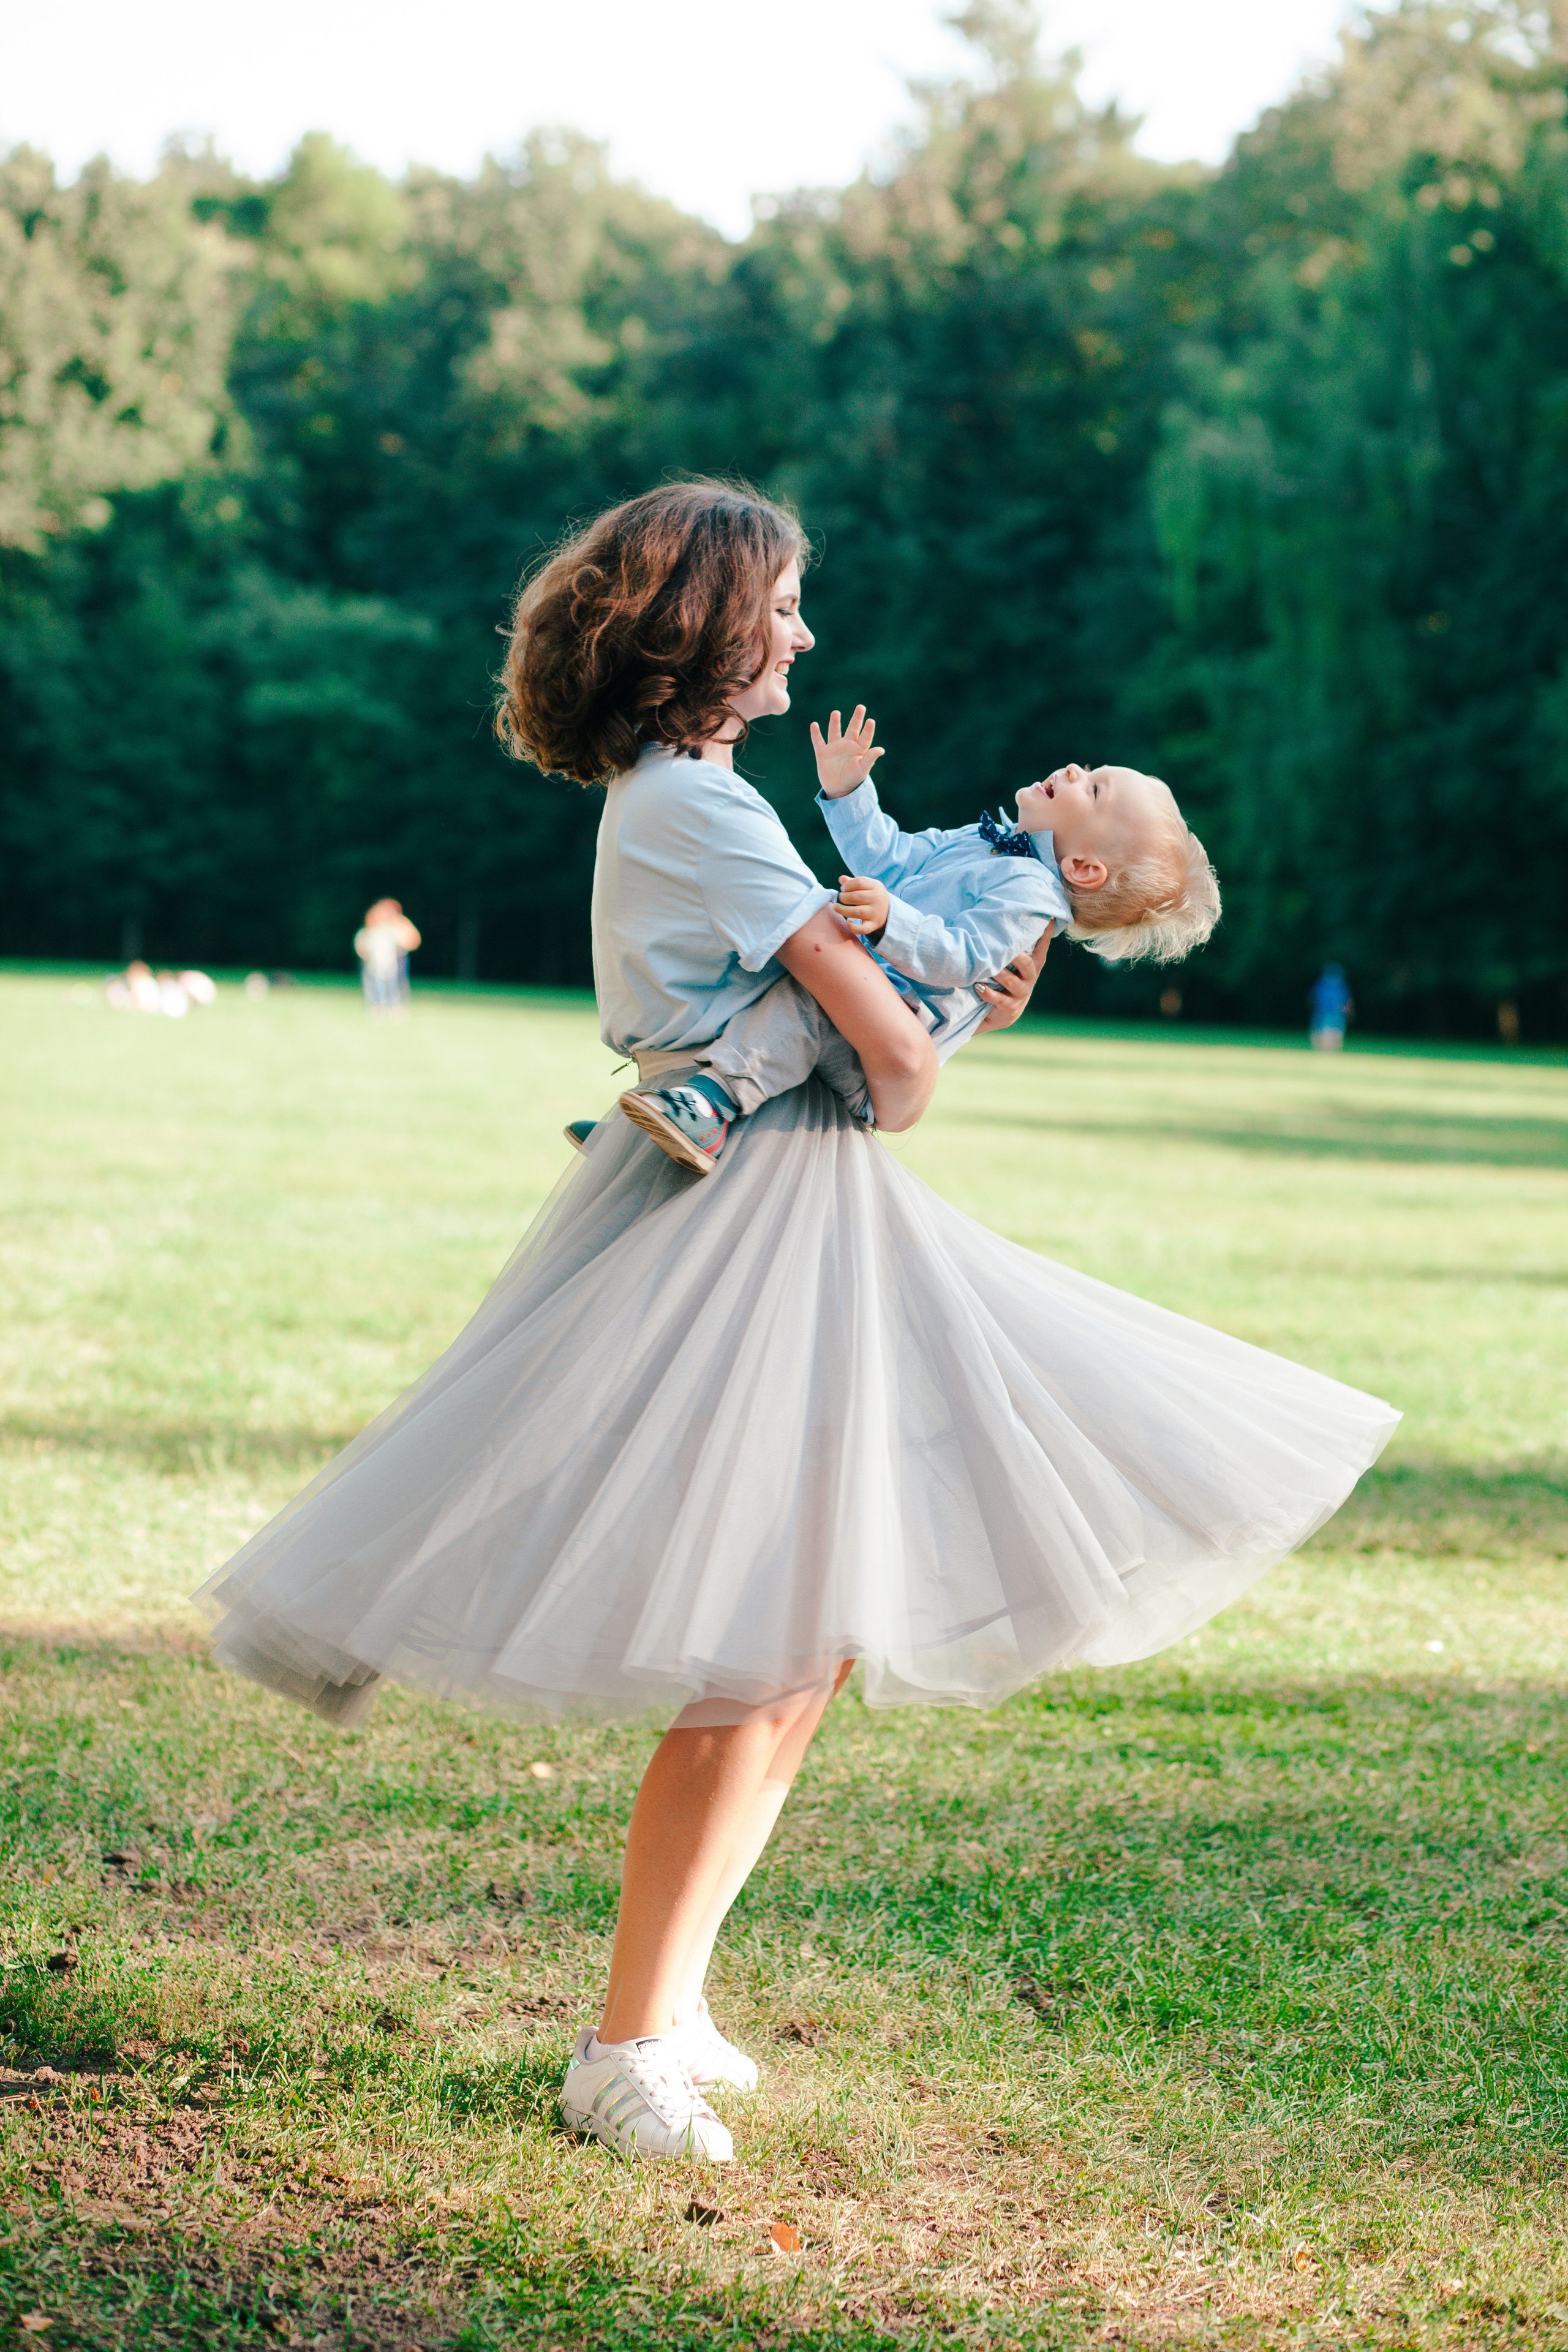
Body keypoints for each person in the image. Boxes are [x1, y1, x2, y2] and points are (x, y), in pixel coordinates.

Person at [197, 480, 1398, 2170]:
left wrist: (950, 1009)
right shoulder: (709, 813)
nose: (804, 633)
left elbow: (888, 1025)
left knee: (807, 1634)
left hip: (791, 1199)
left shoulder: (706, 801)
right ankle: (624, 2044)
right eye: (781, 608)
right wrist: (946, 1030)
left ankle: (672, 2001)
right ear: (700, 627)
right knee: (762, 1637)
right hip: (746, 1210)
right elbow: (892, 1073)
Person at [618, 712, 1218, 1173]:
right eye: (1089, 769)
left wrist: (889, 922)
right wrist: (850, 793)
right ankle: (655, 1135)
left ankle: (709, 1106)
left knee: (803, 1004)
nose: (1073, 772)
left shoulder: (1031, 895)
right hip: (869, 993)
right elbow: (893, 857)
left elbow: (959, 959)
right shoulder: (987, 842)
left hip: (883, 1035)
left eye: (1094, 791)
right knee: (767, 969)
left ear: (1084, 869)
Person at [355, 899, 421, 1017]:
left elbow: (413, 941)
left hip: (394, 962)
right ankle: (377, 1007)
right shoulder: (373, 926)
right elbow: (362, 942)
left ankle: (395, 1007)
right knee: (375, 984)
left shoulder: (399, 925)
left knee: (395, 985)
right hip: (375, 962)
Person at [1310, 963, 1353, 1050]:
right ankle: (1326, 1050)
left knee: (1332, 1031)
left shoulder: (1339, 985)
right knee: (1328, 1031)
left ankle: (1328, 1050)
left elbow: (1312, 998)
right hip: (1326, 1012)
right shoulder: (1324, 984)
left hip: (1333, 1012)